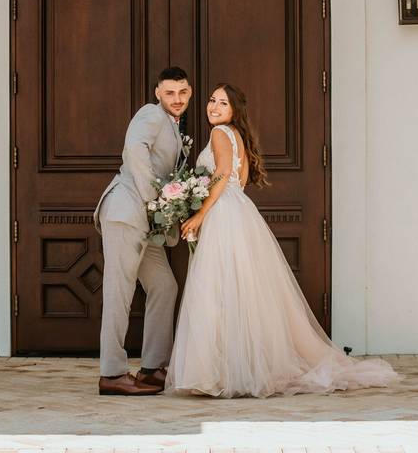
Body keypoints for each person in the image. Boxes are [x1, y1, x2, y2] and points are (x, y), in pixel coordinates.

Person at [168, 83, 397, 398]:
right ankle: (237, 367)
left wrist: (199, 214)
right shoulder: (238, 136)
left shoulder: (220, 134)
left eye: (222, 103)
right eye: (211, 101)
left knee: (217, 290)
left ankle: (218, 372)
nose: (214, 107)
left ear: (235, 110)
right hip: (239, 211)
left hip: (223, 213)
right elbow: (241, 180)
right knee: (240, 290)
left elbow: (221, 174)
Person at [93, 67, 192, 395]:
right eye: (169, 93)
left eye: (182, 92)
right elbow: (134, 150)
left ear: (189, 92)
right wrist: (158, 198)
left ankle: (152, 368)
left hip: (144, 220)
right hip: (126, 211)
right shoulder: (151, 114)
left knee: (164, 285)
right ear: (157, 94)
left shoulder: (176, 127)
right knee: (118, 292)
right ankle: (112, 373)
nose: (176, 100)